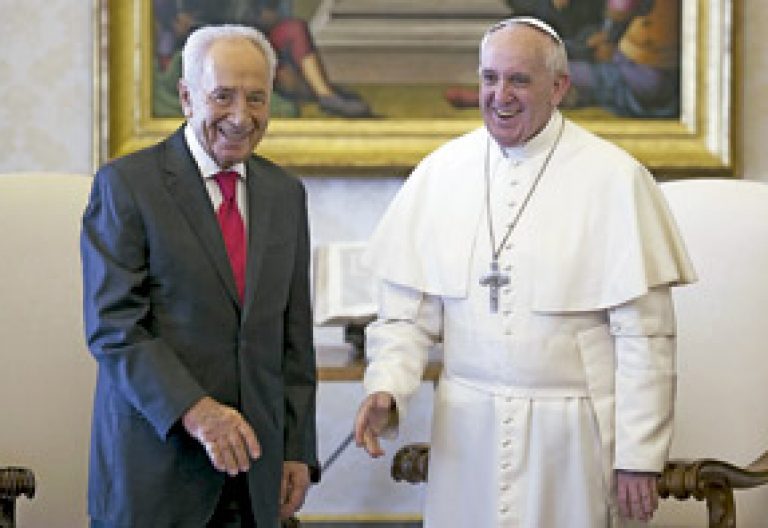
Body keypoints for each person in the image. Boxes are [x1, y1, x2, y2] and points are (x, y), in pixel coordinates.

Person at [354, 16, 695, 528]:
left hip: (574, 435)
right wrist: (386, 387)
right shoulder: (442, 172)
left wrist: (638, 458)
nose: (500, 95)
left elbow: (646, 338)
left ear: (559, 87)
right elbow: (404, 316)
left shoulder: (614, 177)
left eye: (519, 80)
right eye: (489, 78)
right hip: (467, 430)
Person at [81, 24, 318, 527]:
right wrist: (198, 411)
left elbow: (293, 339)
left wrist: (297, 448)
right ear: (187, 98)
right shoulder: (127, 186)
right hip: (156, 470)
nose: (241, 116)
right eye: (223, 96)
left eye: (256, 98)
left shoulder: (285, 195)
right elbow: (115, 326)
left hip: (255, 477)